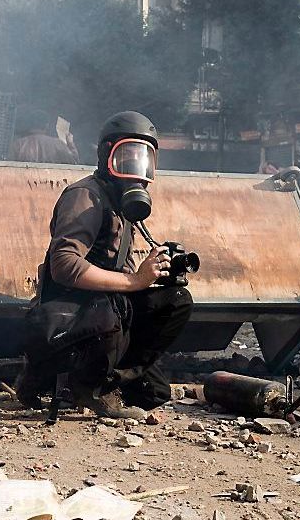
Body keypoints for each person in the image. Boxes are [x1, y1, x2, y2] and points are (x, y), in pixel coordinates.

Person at [15, 111, 194, 419]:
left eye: (143, 158)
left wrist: (152, 274)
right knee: (113, 307)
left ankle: (110, 379)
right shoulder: (85, 196)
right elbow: (64, 265)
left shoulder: (122, 205)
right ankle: (85, 387)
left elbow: (122, 273)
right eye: (127, 156)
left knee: (174, 309)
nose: (136, 169)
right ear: (106, 155)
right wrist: (134, 282)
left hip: (105, 308)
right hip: (69, 311)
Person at [9, 108, 80, 164]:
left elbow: (9, 166)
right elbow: (74, 163)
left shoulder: (18, 145)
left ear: (30, 125)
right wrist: (70, 143)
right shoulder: (58, 144)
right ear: (47, 125)